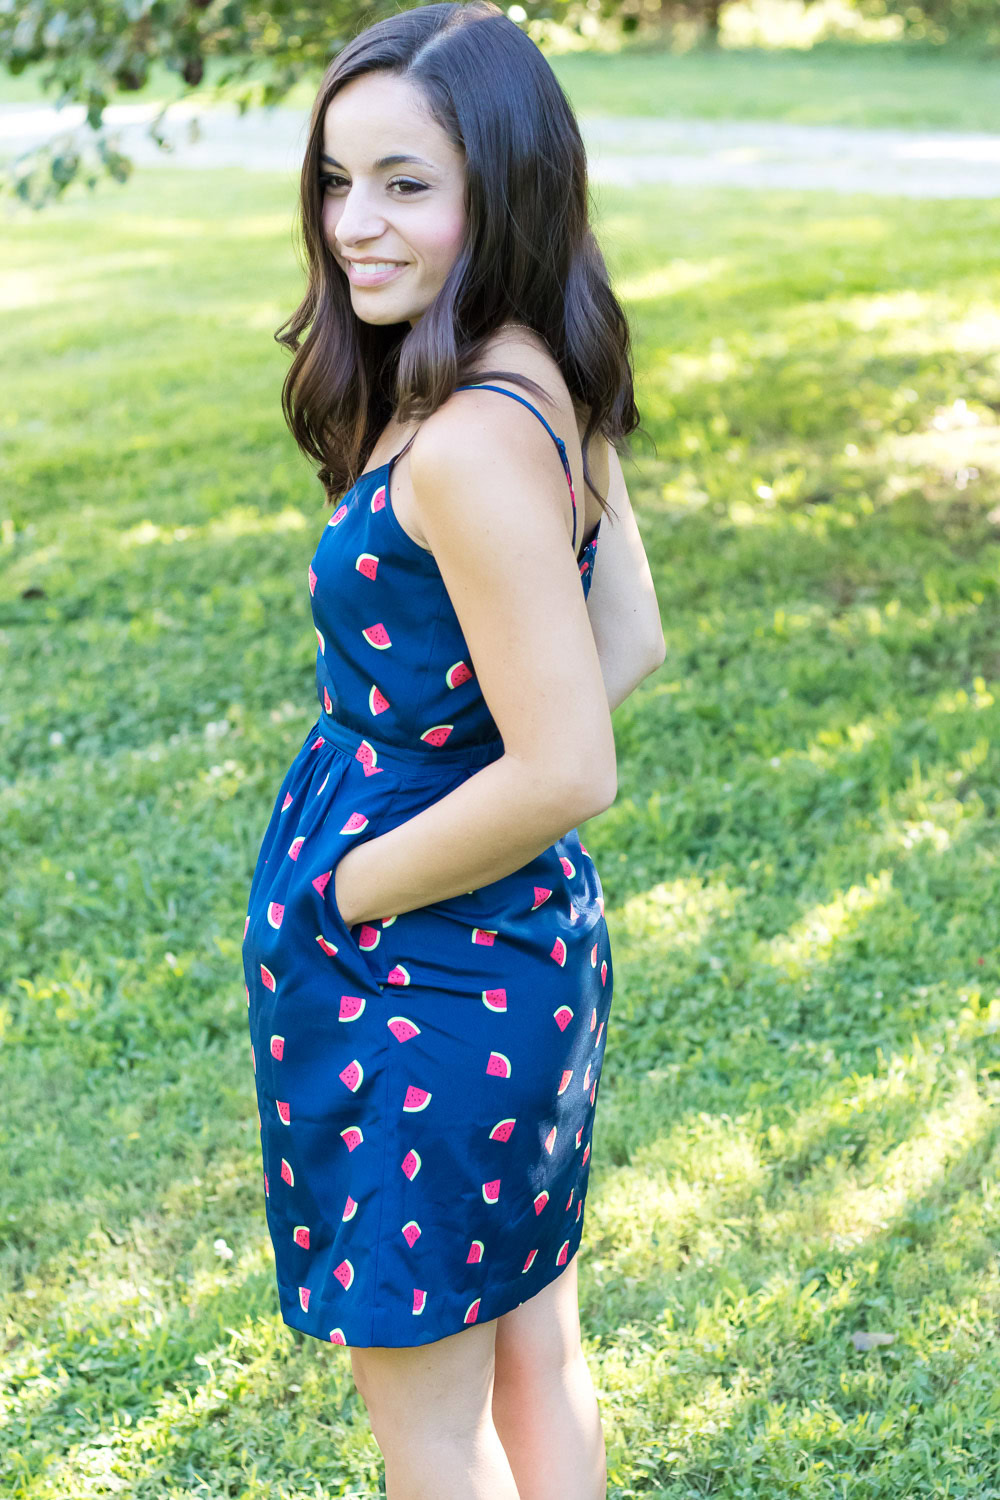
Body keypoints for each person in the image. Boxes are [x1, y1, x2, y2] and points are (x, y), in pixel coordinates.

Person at [241, 3, 665, 1495]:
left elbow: (569, 768)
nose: (356, 224)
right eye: (337, 181)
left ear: (504, 182)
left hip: (420, 975)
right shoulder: (535, 370)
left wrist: (351, 886)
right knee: (536, 1355)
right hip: (513, 951)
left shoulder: (472, 438)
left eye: (407, 184)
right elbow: (630, 646)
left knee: (429, 1430)